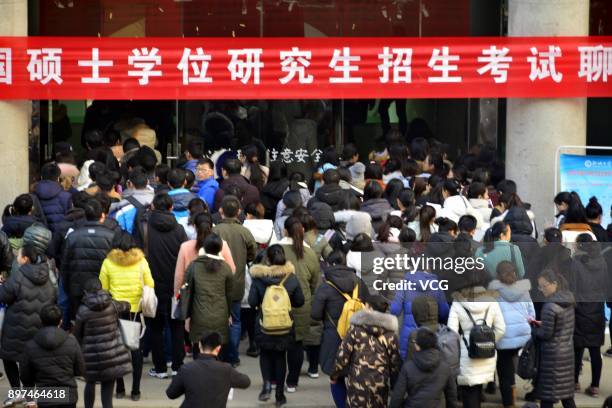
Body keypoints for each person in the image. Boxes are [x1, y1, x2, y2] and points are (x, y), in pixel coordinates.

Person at [99, 232, 154, 401]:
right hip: (135, 311)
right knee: (135, 351)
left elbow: (103, 288)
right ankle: (136, 391)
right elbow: (150, 283)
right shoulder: (141, 261)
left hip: (115, 310)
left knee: (117, 351)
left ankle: (121, 388)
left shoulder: (108, 262)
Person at [311, 250, 369, 408]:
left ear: (329, 264)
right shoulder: (359, 283)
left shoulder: (325, 287)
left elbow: (315, 314)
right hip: (359, 336)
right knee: (356, 374)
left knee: (335, 376)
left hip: (333, 338)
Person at [249, 245, 305, 406]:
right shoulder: (291, 278)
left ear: (268, 259)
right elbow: (300, 301)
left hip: (264, 324)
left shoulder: (259, 278)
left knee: (265, 355)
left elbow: (252, 301)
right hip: (284, 325)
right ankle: (280, 395)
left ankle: (267, 385)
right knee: (280, 357)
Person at [0, 245, 57, 388]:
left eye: (18, 255)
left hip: (16, 326)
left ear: (25, 259)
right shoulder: (47, 274)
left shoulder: (19, 275)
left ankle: (17, 392)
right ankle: (30, 395)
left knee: (9, 358)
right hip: (39, 326)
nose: (16, 258)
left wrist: (3, 285)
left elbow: (3, 296)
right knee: (32, 360)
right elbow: (53, 296)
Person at [275, 216, 321, 393]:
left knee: (278, 344)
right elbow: (315, 282)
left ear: (285, 231)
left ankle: (275, 380)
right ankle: (292, 382)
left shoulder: (275, 249)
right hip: (302, 305)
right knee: (297, 345)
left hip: (277, 304)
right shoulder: (309, 253)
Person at [145, 193, 188, 378]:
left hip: (152, 284)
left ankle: (160, 368)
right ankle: (178, 365)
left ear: (153, 207)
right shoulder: (179, 229)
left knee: (155, 327)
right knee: (176, 326)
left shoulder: (145, 227)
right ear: (171, 208)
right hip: (175, 285)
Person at [331, 295, 401, 408]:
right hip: (380, 385)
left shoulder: (355, 330)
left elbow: (342, 356)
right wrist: (394, 386)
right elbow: (395, 364)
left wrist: (334, 375)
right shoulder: (390, 335)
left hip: (357, 383)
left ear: (369, 308)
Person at [447, 276, 506, 408]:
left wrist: (464, 343)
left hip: (467, 353)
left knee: (469, 393)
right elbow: (501, 329)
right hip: (487, 352)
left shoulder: (458, 302)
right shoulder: (492, 302)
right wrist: (488, 340)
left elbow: (452, 332)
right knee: (479, 388)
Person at [213, 195, 257, 367]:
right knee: (235, 319)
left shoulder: (215, 231)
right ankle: (232, 356)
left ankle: (220, 353)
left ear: (221, 211)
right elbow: (252, 253)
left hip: (216, 282)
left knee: (218, 319)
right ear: (239, 212)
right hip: (237, 282)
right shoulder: (244, 232)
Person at [74, 279, 132, 408]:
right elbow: (127, 306)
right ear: (101, 288)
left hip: (90, 356)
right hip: (111, 354)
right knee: (107, 390)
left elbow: (77, 334)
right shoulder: (112, 305)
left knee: (90, 383)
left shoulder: (83, 310)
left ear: (85, 292)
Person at [488, 261, 535, 408]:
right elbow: (531, 313)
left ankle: (508, 402)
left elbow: (490, 315)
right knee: (514, 365)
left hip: (503, 336)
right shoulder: (524, 289)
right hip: (523, 335)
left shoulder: (493, 291)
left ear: (498, 275)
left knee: (504, 370)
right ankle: (516, 392)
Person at [61, 198, 116, 319]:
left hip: (77, 287)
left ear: (85, 215)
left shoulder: (73, 236)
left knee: (78, 320)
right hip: (102, 289)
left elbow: (64, 265)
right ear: (102, 215)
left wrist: (67, 286)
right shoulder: (111, 237)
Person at [21, 304, 85, 408]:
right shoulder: (72, 341)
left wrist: (30, 400)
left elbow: (26, 376)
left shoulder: (30, 345)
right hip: (68, 395)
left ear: (41, 321)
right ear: (60, 321)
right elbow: (80, 370)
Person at [166, 331, 251, 408]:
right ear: (218, 348)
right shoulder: (226, 369)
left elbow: (171, 394)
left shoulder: (186, 369)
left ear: (199, 345)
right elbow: (246, 382)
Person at [532, 270, 577, 408]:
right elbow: (561, 326)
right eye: (540, 287)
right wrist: (544, 324)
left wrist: (534, 329)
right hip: (567, 354)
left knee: (547, 397)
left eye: (544, 286)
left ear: (554, 284)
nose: (542, 290)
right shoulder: (568, 301)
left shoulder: (549, 306)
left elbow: (546, 334)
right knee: (567, 396)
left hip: (551, 358)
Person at [184, 233, 234, 359]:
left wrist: (187, 316)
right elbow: (229, 295)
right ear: (220, 248)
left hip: (199, 316)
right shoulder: (226, 268)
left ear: (204, 247)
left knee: (198, 353)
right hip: (220, 317)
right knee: (218, 353)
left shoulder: (194, 266)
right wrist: (228, 314)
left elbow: (187, 293)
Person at [390, 263, 450, 360]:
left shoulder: (405, 283)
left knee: (408, 368)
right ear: (427, 267)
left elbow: (394, 310)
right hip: (431, 334)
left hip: (409, 336)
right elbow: (444, 312)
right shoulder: (436, 284)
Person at [572, 234, 607, 397]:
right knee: (595, 351)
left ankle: (574, 382)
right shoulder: (603, 263)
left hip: (580, 309)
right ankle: (595, 386)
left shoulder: (576, 263)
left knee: (577, 349)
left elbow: (573, 286)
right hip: (597, 310)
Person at [389, 327, 458, 408]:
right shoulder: (445, 367)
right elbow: (451, 395)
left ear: (418, 346)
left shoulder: (408, 367)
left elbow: (398, 396)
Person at [174, 212, 235, 296]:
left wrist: (177, 295)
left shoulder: (185, 247)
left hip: (192, 296)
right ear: (212, 226)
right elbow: (232, 269)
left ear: (194, 227)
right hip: (217, 294)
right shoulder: (222, 244)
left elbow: (179, 276)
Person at [111, 167, 154, 234]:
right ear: (147, 182)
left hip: (131, 241)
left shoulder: (123, 207)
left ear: (130, 183)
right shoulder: (156, 200)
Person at [33, 162, 73, 232]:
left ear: (41, 177)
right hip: (60, 235)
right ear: (58, 178)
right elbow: (69, 218)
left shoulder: (33, 195)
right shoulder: (66, 196)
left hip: (39, 236)